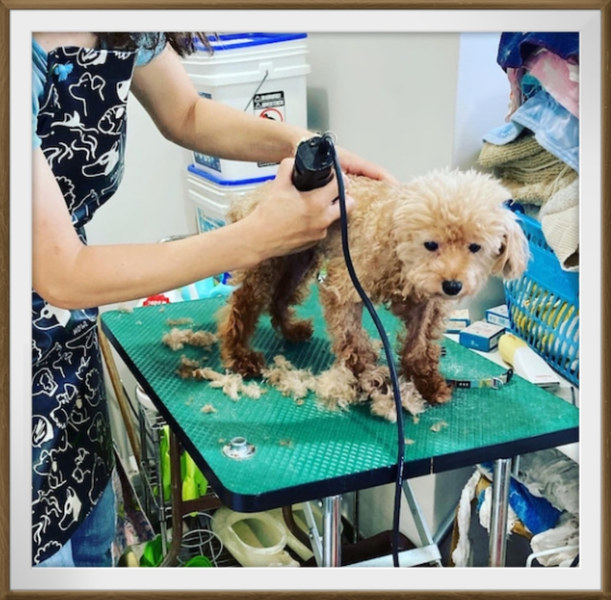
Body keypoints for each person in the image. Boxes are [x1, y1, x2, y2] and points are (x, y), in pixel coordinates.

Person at [31, 31, 395, 567]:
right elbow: (60, 272)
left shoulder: (121, 23)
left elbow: (188, 113)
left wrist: (303, 143)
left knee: (91, 539)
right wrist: (253, 239)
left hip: (69, 362)